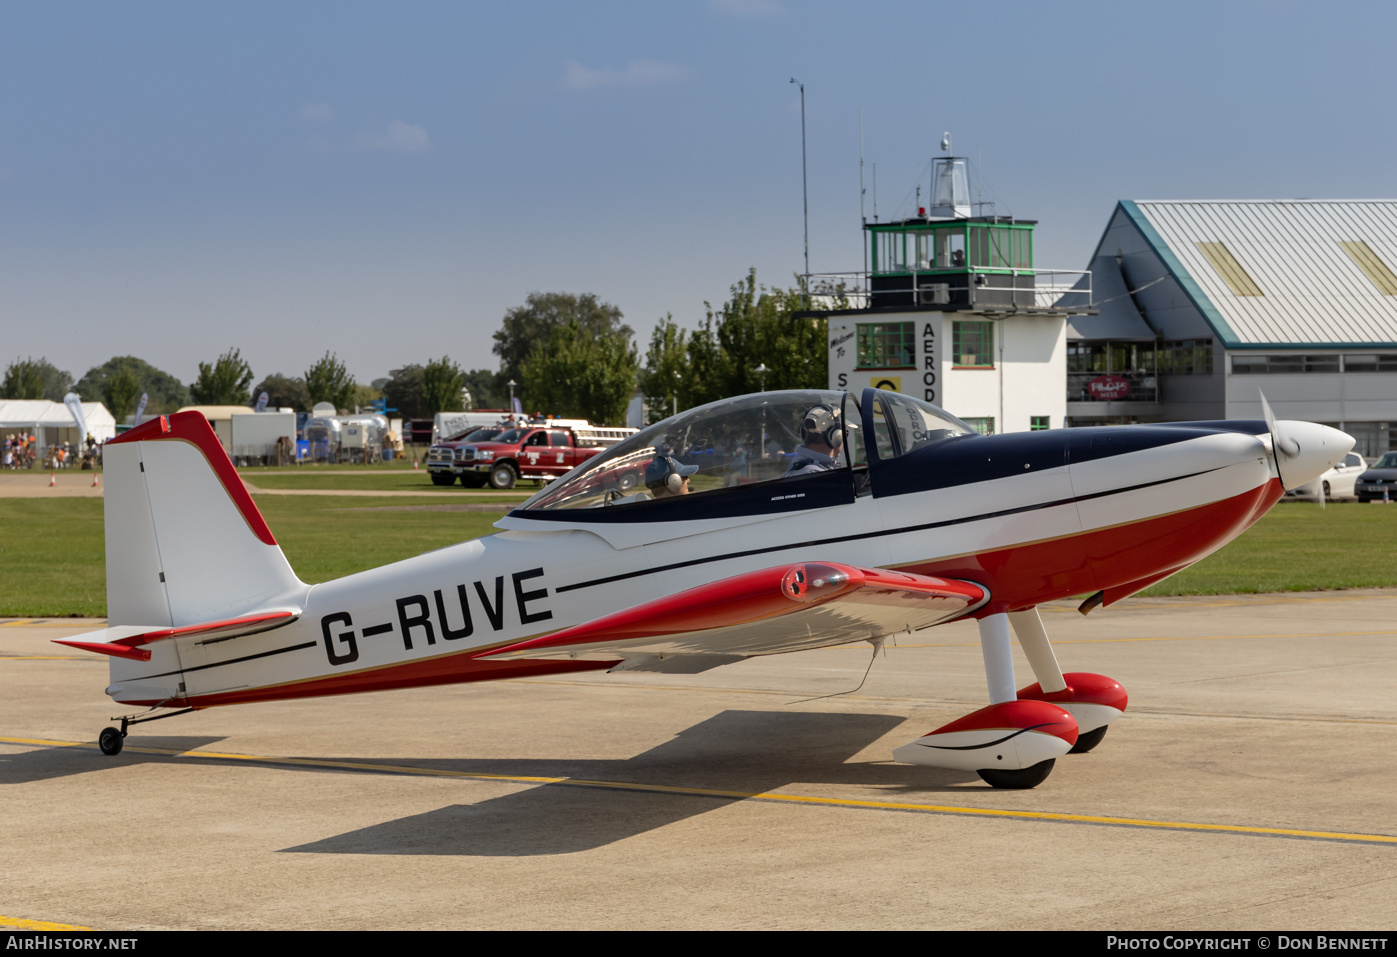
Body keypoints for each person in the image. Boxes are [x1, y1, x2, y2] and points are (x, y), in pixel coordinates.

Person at [784, 404, 844, 477]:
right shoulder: (815, 475)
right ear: (836, 436)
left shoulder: (802, 467)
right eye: (844, 434)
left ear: (803, 433)